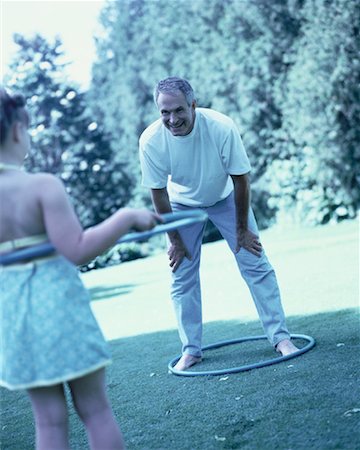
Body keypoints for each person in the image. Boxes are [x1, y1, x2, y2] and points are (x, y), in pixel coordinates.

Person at [0, 87, 161, 450]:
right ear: (15, 131)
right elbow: (77, 250)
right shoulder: (42, 186)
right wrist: (126, 217)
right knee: (95, 409)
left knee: (48, 422)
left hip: (14, 321)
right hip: (59, 312)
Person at [139, 76, 299, 371]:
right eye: (165, 112)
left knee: (255, 261)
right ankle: (191, 349)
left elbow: (241, 179)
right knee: (181, 274)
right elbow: (158, 194)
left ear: (193, 106)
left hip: (225, 196)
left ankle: (281, 339)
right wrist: (174, 240)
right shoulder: (151, 141)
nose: (172, 119)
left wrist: (241, 230)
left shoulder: (221, 127)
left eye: (178, 111)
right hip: (181, 204)